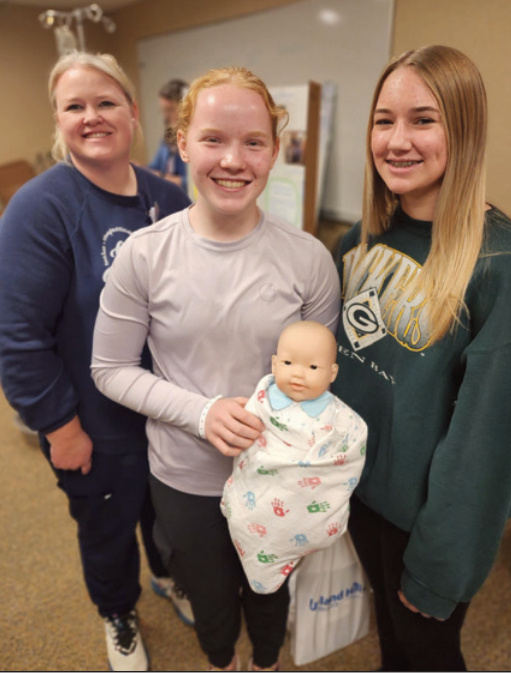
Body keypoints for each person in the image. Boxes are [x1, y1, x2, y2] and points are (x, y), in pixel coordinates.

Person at [90, 66, 340, 672]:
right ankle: (223, 662)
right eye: (213, 140)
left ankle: (264, 664)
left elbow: (322, 380)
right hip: (186, 476)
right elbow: (110, 368)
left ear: (275, 150)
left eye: (253, 142)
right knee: (209, 595)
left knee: (268, 590)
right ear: (182, 144)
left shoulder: (308, 260)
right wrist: (202, 413)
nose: (234, 160)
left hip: (278, 474)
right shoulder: (145, 255)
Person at [334, 45, 511, 671]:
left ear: (464, 130)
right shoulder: (364, 234)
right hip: (359, 494)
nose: (397, 140)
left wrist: (442, 565)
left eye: (423, 120)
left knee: (427, 651)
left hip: (426, 525)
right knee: (391, 644)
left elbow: (489, 446)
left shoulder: (506, 267)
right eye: (384, 119)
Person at [0, 52, 192, 671]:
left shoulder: (168, 196)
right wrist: (59, 427)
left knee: (166, 514)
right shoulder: (40, 208)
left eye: (105, 102)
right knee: (108, 532)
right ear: (58, 120)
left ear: (133, 114)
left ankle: (167, 574)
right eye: (74, 107)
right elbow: (16, 334)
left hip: (165, 414)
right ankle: (118, 612)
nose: (91, 117)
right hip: (93, 425)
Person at [220, 320, 366, 594]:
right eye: (288, 363)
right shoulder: (260, 402)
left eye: (313, 367)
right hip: (258, 498)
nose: (299, 374)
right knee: (244, 512)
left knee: (314, 523)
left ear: (332, 373)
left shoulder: (341, 419)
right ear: (274, 364)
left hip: (304, 506)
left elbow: (347, 459)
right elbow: (247, 451)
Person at [145, 78, 189, 191]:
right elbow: (153, 168)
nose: (166, 117)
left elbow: (193, 181)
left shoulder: (196, 140)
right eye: (163, 111)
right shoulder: (167, 141)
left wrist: (162, 177)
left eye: (170, 110)